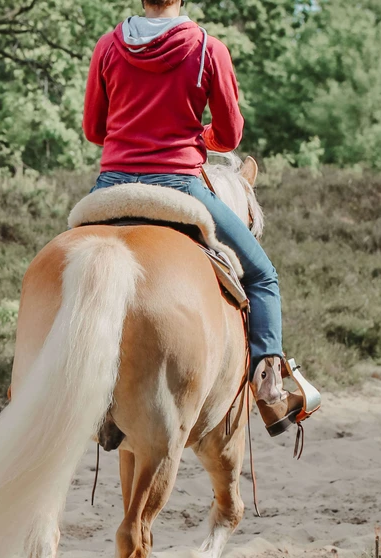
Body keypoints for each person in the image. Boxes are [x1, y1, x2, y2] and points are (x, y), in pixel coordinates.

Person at [82, 0, 295, 433]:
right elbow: (231, 133)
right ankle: (269, 393)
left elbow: (93, 130)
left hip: (112, 185)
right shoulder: (206, 49)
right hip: (180, 184)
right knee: (263, 276)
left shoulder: (107, 46)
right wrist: (200, 136)